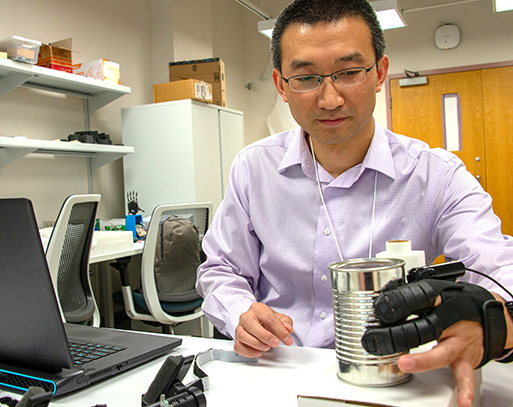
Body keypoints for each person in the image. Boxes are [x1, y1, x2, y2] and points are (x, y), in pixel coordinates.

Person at [195, 1, 513, 406]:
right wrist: (240, 311)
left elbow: (499, 268)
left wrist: (496, 322)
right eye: (306, 77)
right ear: (281, 85)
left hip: (394, 381)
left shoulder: (436, 174)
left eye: (348, 73)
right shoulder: (254, 169)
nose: (329, 100)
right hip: (280, 375)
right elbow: (221, 268)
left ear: (380, 73)